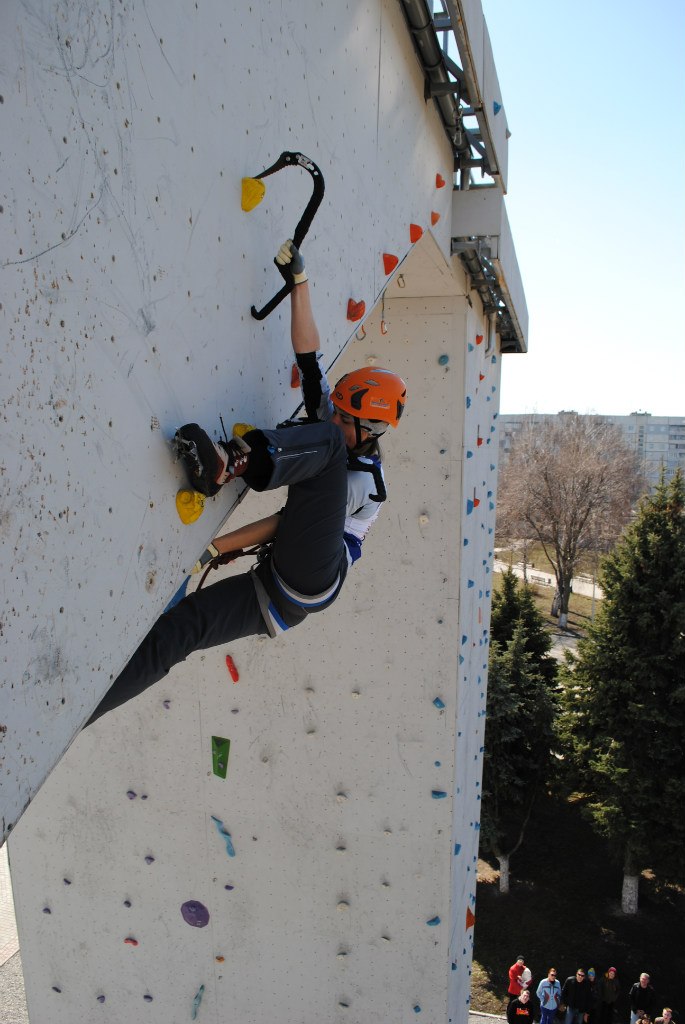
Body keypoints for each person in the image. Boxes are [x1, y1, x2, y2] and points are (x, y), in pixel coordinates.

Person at [88, 242, 407, 724]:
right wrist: (300, 284)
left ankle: (226, 464)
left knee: (324, 446)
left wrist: (212, 548)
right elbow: (310, 360)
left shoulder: (365, 481)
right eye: (338, 412)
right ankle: (79, 713)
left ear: (373, 430)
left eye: (347, 418)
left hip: (311, 578)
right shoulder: (337, 436)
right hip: (275, 595)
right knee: (183, 629)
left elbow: (287, 524)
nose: (335, 419)